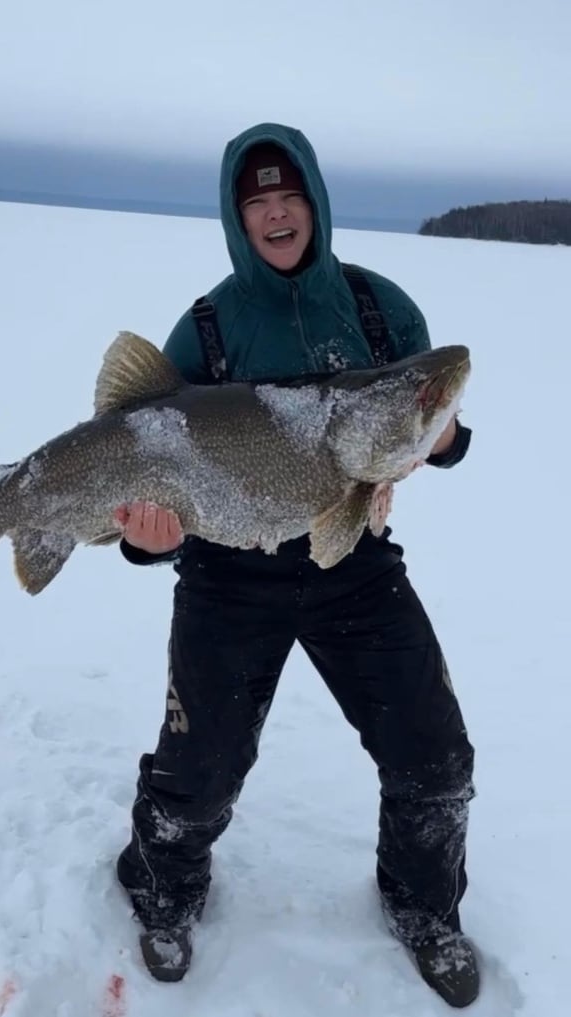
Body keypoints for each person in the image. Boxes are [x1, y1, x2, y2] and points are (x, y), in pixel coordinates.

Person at [114, 123, 478, 1008]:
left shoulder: (382, 311)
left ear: (315, 201)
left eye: (290, 197)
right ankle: (162, 887)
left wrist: (446, 434)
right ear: (240, 219)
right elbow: (140, 466)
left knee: (435, 757)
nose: (277, 214)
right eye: (258, 202)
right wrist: (142, 537)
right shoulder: (204, 329)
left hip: (353, 560)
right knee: (197, 777)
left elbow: (430, 429)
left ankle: (423, 905)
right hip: (228, 574)